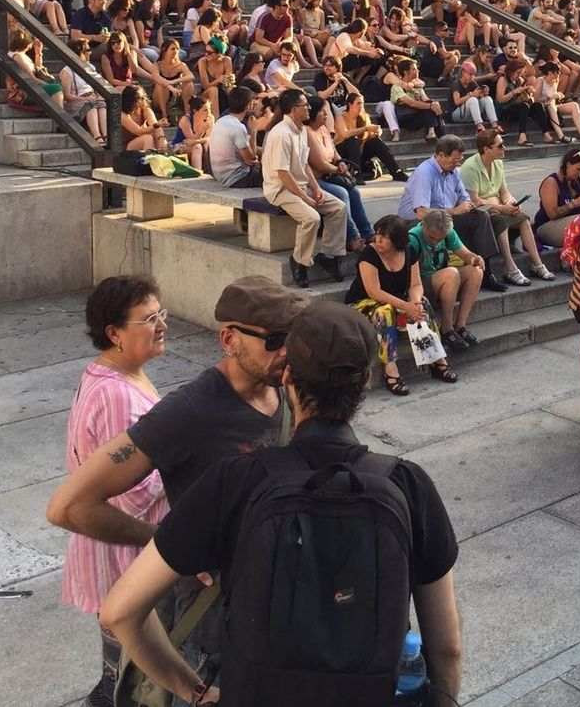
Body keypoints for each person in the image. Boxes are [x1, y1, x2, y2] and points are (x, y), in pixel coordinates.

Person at [101, 301, 462, 707]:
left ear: (288, 375)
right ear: (365, 382)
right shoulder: (408, 484)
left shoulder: (235, 480)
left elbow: (120, 611)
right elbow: (445, 647)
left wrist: (194, 690)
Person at [49, 278, 308, 701]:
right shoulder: (189, 411)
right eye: (275, 340)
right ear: (228, 338)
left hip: (273, 606)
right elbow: (69, 507)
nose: (286, 353)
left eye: (295, 341)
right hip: (212, 622)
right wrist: (165, 542)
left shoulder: (288, 388)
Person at [59, 277, 168, 707]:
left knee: (120, 664)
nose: (161, 325)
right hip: (126, 547)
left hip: (115, 545)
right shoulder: (117, 394)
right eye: (148, 319)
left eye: (162, 315)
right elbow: (134, 491)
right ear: (114, 333)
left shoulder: (111, 373)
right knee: (132, 675)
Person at [345, 214, 456, 395]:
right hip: (361, 305)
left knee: (423, 303)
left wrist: (415, 303)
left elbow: (415, 284)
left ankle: (437, 359)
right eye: (377, 234)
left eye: (384, 237)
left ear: (396, 240)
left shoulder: (408, 251)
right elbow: (374, 292)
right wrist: (406, 306)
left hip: (394, 301)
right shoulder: (369, 254)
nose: (378, 240)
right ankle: (390, 369)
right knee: (385, 311)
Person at [397, 135, 509, 293]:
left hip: (446, 218)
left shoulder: (454, 171)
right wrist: (454, 211)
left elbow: (464, 197)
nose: (458, 163)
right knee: (435, 223)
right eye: (454, 159)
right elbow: (422, 213)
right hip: (418, 222)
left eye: (460, 159)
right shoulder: (425, 173)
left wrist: (468, 205)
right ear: (441, 155)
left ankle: (486, 272)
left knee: (481, 217)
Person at [263, 89, 348, 288]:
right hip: (280, 189)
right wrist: (306, 198)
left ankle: (329, 255)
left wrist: (316, 188)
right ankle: (300, 262)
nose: (309, 108)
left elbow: (305, 165)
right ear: (294, 110)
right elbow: (283, 174)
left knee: (338, 207)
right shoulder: (281, 134)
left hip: (300, 185)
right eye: (305, 105)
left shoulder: (301, 130)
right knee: (312, 217)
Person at [460, 130, 557, 284]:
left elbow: (504, 191)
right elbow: (475, 201)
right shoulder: (470, 167)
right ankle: (510, 268)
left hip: (496, 206)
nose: (504, 148)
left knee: (523, 219)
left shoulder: (498, 163)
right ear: (486, 149)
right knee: (502, 221)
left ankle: (537, 264)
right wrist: (501, 207)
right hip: (482, 213)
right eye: (500, 146)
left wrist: (510, 202)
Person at [408, 208, 486, 352]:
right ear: (424, 225)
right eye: (432, 237)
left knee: (476, 271)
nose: (436, 241)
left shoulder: (448, 232)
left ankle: (460, 325)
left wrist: (475, 259)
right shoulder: (413, 238)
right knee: (451, 273)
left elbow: (465, 254)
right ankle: (447, 328)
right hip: (420, 284)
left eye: (440, 238)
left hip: (441, 278)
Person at [304, 97, 374, 252]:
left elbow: (334, 152)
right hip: (315, 179)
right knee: (342, 193)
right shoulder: (307, 133)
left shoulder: (323, 129)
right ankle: (352, 238)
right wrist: (338, 170)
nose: (326, 115)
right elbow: (320, 164)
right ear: (313, 113)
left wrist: (340, 162)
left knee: (354, 192)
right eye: (323, 111)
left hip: (330, 175)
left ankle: (368, 232)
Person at [533, 147, 580, 247]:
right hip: (547, 226)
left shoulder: (576, 180)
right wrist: (575, 203)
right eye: (578, 169)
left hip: (572, 221)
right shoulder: (551, 182)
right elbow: (552, 214)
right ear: (568, 164)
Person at [210, 85, 263, 188]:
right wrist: (253, 132)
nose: (256, 102)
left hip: (222, 175)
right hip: (237, 178)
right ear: (248, 105)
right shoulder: (237, 127)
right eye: (253, 100)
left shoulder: (221, 120)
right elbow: (251, 159)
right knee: (277, 177)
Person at [61, 39, 109, 147]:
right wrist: (84, 99)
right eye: (87, 50)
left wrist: (99, 95)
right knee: (90, 105)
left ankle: (106, 135)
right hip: (76, 103)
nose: (90, 52)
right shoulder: (67, 71)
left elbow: (97, 86)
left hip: (91, 97)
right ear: (79, 53)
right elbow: (67, 96)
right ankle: (97, 136)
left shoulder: (90, 67)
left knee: (101, 104)